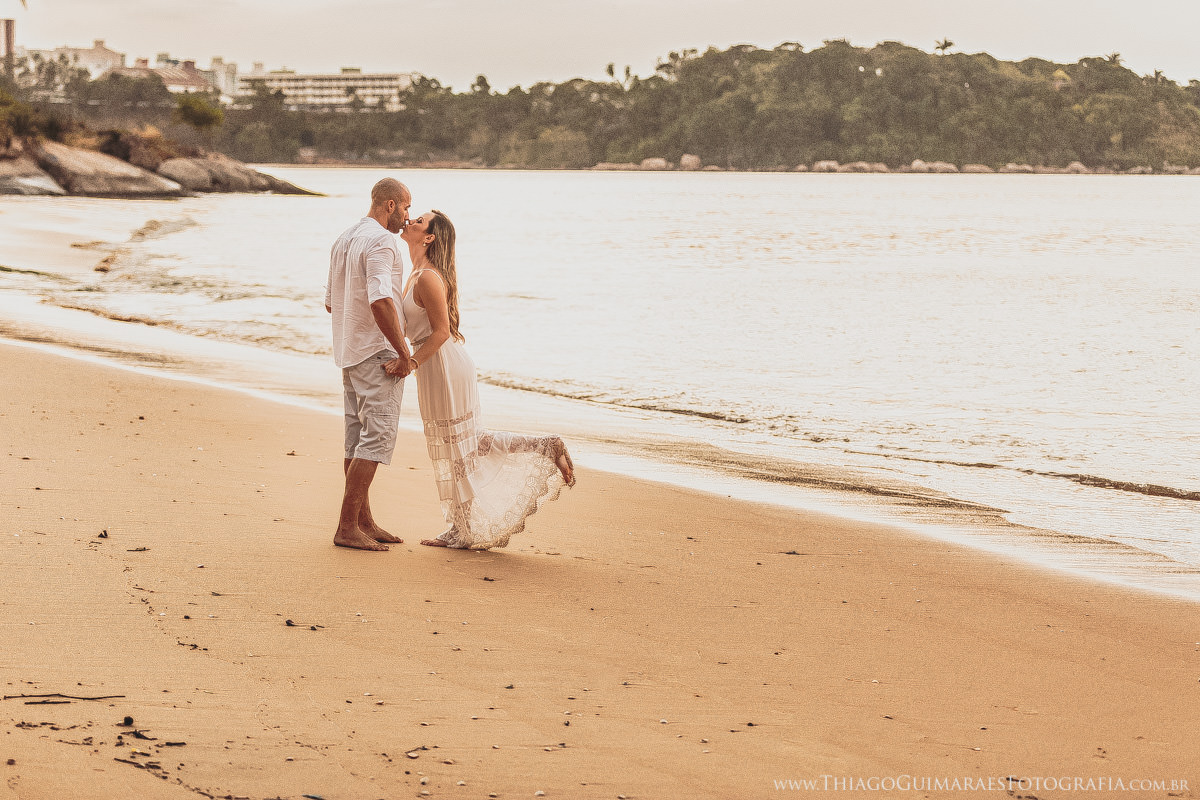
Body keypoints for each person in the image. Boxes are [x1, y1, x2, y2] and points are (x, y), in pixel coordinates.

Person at [390, 209, 575, 550]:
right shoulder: (415, 272)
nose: (411, 221)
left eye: (419, 221)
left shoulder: (427, 277)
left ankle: (463, 526)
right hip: (434, 366)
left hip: (442, 365)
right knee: (461, 446)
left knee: (461, 447)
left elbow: (442, 332)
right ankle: (462, 522)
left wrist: (411, 363)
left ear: (429, 237)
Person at [325, 177, 413, 551]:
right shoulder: (382, 241)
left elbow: (331, 302)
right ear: (389, 204)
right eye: (406, 207)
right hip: (377, 354)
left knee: (356, 437)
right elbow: (380, 300)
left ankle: (363, 520)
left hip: (349, 351)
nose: (407, 217)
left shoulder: (344, 238)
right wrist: (403, 352)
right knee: (375, 439)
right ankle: (347, 526)